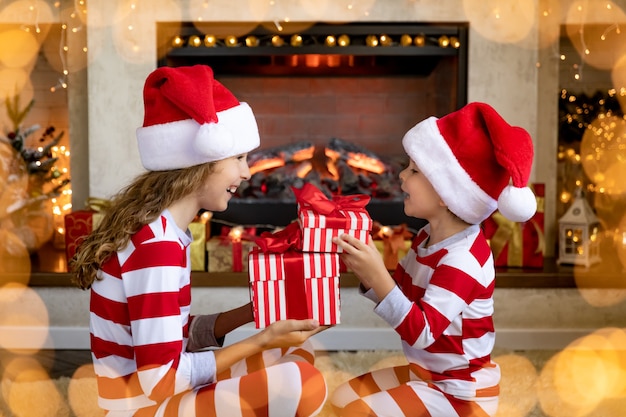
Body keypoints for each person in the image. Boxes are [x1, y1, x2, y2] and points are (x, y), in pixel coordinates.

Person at [71, 65, 328, 417]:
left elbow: (177, 335)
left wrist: (255, 314)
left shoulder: (166, 232)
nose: (246, 172)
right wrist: (263, 339)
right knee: (300, 380)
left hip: (155, 398)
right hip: (139, 410)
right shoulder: (155, 247)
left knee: (299, 353)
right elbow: (160, 381)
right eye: (238, 157)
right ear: (200, 163)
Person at [330, 102, 536, 417]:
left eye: (413, 170)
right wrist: (366, 271)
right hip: (426, 375)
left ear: (445, 191)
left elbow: (421, 331)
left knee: (353, 412)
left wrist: (379, 277)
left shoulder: (464, 259)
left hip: (461, 392)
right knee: (342, 398)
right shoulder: (428, 236)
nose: (401, 176)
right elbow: (402, 293)